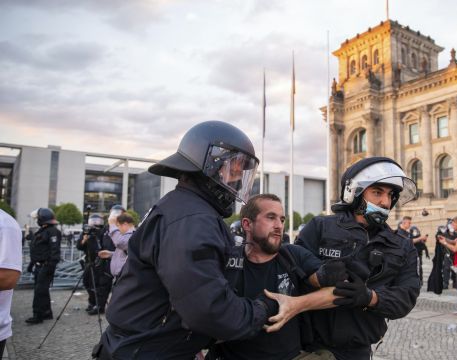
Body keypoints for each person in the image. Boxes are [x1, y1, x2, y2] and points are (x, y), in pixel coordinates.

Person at [98, 121, 298, 359]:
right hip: (147, 350)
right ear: (210, 166)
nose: (236, 181)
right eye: (233, 172)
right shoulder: (194, 219)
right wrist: (268, 306)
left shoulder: (181, 207)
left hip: (145, 345)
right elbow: (213, 312)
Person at [295, 156, 421, 360]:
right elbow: (292, 272)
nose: (385, 202)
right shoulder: (320, 227)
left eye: (390, 195)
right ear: (354, 192)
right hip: (307, 347)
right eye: (377, 192)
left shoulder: (402, 245)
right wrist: (318, 275)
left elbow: (406, 298)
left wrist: (370, 297)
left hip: (358, 351)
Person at [218, 194, 341, 360]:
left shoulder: (292, 255)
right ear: (247, 224)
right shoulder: (228, 262)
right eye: (270, 218)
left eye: (282, 220)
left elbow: (338, 292)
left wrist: (296, 304)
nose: (279, 226)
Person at [25, 208, 61, 324]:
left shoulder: (52, 231)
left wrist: (49, 266)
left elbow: (55, 251)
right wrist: (31, 264)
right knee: (43, 290)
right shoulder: (42, 231)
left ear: (42, 219)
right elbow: (37, 249)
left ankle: (38, 315)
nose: (36, 221)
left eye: (37, 219)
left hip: (46, 266)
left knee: (39, 290)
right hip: (39, 265)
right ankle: (46, 313)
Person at [77, 214, 113, 315]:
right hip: (88, 262)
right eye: (93, 221)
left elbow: (104, 245)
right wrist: (84, 239)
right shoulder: (86, 232)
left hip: (99, 262)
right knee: (87, 283)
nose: (95, 223)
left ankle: (99, 305)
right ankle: (91, 302)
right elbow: (79, 246)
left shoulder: (103, 232)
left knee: (98, 285)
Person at [0, 209, 22, 357]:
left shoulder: (5, 224)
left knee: (42, 291)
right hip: (40, 264)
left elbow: (8, 278)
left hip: (46, 266)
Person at [97, 213, 136, 282]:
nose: (118, 229)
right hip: (122, 278)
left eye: (118, 226)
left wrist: (112, 225)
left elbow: (120, 242)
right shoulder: (127, 236)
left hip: (126, 279)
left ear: (125, 224)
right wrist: (112, 254)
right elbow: (126, 254)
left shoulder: (132, 235)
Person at [397, 216, 428, 286]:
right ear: (404, 223)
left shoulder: (407, 233)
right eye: (409, 223)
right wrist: (420, 238)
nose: (410, 225)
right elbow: (409, 241)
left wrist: (421, 240)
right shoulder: (399, 232)